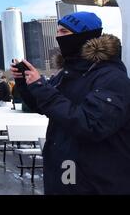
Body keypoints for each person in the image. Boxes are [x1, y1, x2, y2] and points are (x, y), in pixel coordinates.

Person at [11, 11, 130, 195]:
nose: (58, 37)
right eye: (57, 31)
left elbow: (91, 124)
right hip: (66, 171)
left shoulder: (111, 77)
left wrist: (41, 86)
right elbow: (43, 105)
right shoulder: (68, 72)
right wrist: (24, 82)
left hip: (95, 179)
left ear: (85, 35)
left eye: (64, 32)